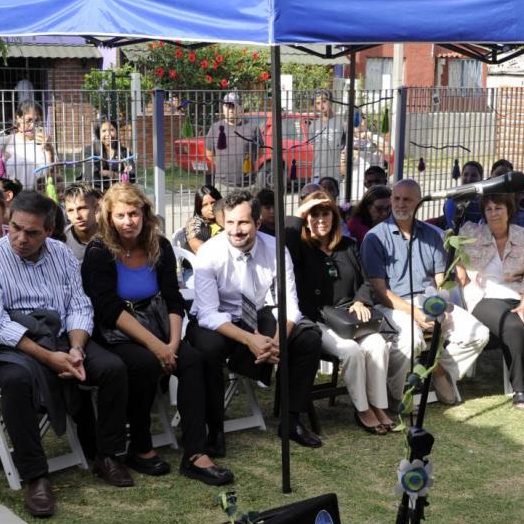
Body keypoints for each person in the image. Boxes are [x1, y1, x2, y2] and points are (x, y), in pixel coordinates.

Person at [0, 191, 132, 518]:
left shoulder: (62, 255)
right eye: (15, 228)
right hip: (11, 345)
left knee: (113, 367)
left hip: (61, 339)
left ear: (50, 230)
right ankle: (35, 476)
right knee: (17, 381)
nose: (21, 238)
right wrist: (48, 357)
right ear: (9, 220)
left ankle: (108, 455)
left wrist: (75, 349)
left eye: (32, 232)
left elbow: (79, 305)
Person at [81, 184, 233, 484]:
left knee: (192, 360)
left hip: (159, 327)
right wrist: (157, 348)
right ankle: (140, 445)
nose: (128, 221)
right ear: (109, 218)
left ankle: (195, 453)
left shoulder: (159, 245)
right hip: (116, 332)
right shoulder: (98, 251)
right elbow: (107, 309)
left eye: (134, 214)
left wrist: (173, 344)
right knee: (144, 363)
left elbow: (173, 298)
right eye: (121, 215)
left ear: (145, 214)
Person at [188, 190, 324, 449]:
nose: (236, 230)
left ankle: (291, 420)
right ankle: (213, 427)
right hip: (218, 320)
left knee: (308, 337)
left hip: (258, 316)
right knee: (208, 348)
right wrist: (250, 340)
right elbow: (207, 313)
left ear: (258, 223)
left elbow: (291, 305)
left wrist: (277, 341)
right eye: (230, 223)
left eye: (243, 223)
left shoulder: (276, 249)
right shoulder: (209, 253)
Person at [360, 179, 489, 404]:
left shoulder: (431, 235)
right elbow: (381, 292)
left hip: (428, 300)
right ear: (391, 200)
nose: (401, 204)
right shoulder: (374, 237)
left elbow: (441, 281)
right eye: (397, 198)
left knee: (478, 334)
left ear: (418, 202)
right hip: (393, 304)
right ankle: (397, 395)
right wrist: (415, 313)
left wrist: (439, 307)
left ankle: (435, 370)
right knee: (412, 339)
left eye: (407, 200)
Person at [286, 192, 397, 433]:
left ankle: (378, 405)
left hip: (352, 317)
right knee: (351, 351)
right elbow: (287, 237)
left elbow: (367, 282)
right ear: (305, 218)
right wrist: (300, 213)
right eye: (314, 215)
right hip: (319, 319)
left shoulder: (349, 247)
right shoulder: (299, 248)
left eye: (325, 213)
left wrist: (360, 301)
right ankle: (362, 409)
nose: (320, 219)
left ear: (334, 217)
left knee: (377, 343)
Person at [456, 194, 524, 409]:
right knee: (513, 325)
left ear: (509, 211)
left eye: (498, 208)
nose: (493, 213)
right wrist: (459, 267)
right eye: (488, 209)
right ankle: (519, 388)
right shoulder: (472, 233)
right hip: (485, 295)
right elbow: (452, 248)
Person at [204, 92, 264, 191]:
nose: (231, 109)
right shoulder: (215, 128)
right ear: (223, 108)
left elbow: (260, 153)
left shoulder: (253, 128)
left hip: (248, 184)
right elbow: (209, 153)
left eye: (234, 106)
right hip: (223, 185)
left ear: (240, 108)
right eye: (228, 106)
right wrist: (222, 165)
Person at [0, 101, 54, 191]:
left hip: (36, 199)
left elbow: (53, 174)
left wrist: (49, 149)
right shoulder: (4, 142)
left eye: (37, 121)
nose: (33, 125)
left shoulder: (44, 144)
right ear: (18, 118)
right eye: (29, 120)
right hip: (10, 199)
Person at [309, 89, 346, 182]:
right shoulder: (313, 125)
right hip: (317, 173)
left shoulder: (341, 123)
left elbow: (346, 148)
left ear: (331, 102)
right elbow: (313, 148)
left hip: (334, 173)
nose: (321, 106)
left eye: (324, 101)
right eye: (317, 103)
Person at [91, 118, 135, 190]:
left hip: (120, 192)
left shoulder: (124, 152)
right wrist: (120, 175)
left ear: (116, 132)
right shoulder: (90, 151)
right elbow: (92, 177)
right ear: (98, 133)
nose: (108, 134)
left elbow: (132, 176)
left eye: (111, 130)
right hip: (97, 193)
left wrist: (106, 173)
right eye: (104, 131)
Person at [61, 184, 102, 262]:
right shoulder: (61, 241)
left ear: (96, 208)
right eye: (70, 210)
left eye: (82, 208)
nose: (77, 216)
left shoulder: (112, 236)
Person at [443, 160, 485, 228]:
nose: (469, 179)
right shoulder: (452, 200)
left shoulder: (485, 202)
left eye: (474, 175)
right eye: (466, 174)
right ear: (461, 176)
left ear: (481, 178)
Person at [183, 184, 223, 253]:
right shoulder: (194, 222)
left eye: (213, 202)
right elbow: (197, 246)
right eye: (205, 205)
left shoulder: (225, 217)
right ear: (199, 208)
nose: (211, 208)